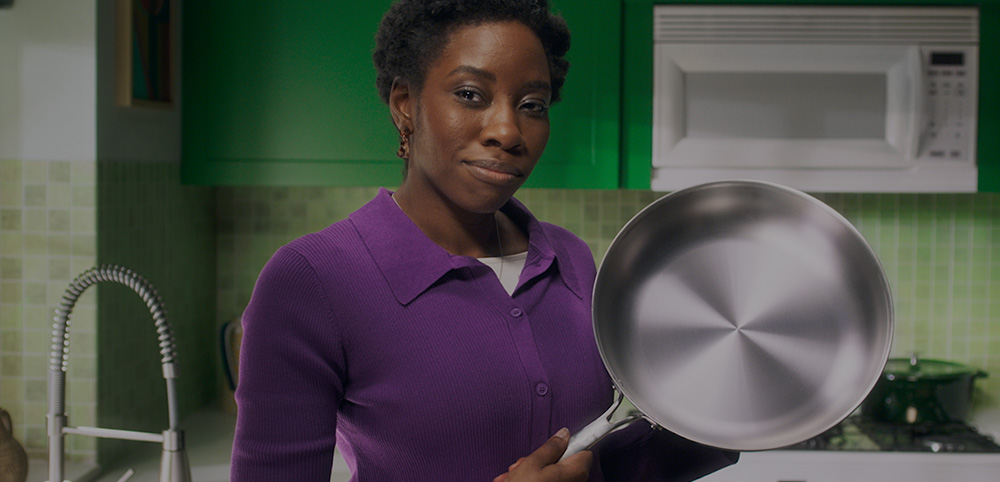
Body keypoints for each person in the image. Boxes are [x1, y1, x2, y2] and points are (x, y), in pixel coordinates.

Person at [230, 1, 739, 480]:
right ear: (405, 105)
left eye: (532, 104)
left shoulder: (571, 260)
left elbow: (597, 463)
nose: (507, 130)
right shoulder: (311, 281)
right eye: (470, 94)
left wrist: (722, 415)